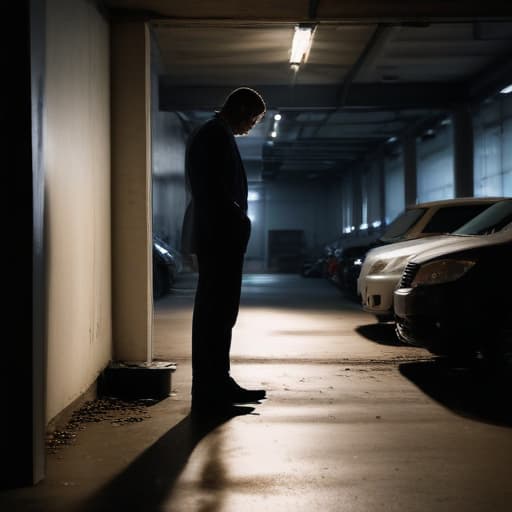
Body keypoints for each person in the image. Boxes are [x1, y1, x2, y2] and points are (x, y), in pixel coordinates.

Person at [182, 87, 267, 411]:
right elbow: (213, 191)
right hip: (219, 238)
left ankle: (218, 382)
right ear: (241, 109)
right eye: (254, 119)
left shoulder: (214, 134)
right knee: (215, 315)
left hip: (220, 236)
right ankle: (210, 390)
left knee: (219, 315)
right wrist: (239, 220)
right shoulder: (214, 135)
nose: (253, 126)